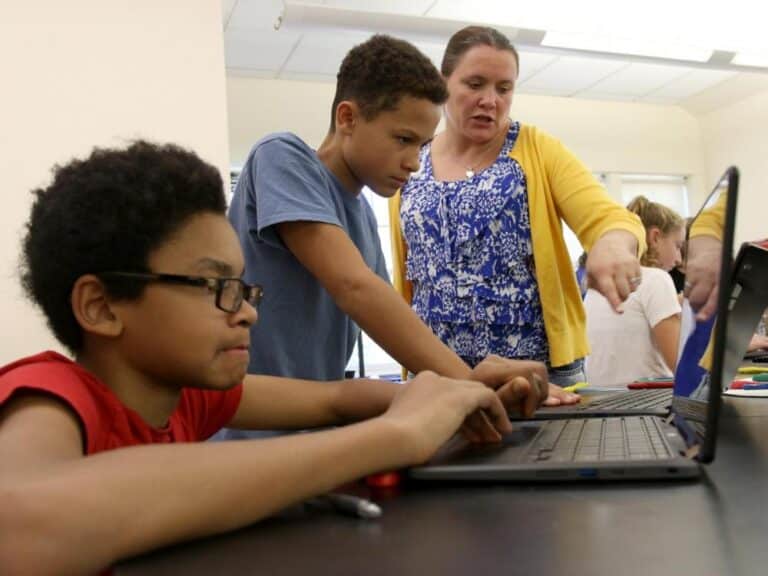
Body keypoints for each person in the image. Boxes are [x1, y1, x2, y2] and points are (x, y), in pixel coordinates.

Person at [0, 141, 549, 575]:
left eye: (244, 288)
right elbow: (20, 522)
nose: (246, 313)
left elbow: (336, 400)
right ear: (100, 307)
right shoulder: (50, 397)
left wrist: (461, 393)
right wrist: (393, 437)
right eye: (215, 285)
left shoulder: (190, 397)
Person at [221, 32, 574, 444]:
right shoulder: (282, 157)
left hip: (310, 439)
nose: (414, 163)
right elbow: (355, 288)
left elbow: (388, 318)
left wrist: (471, 381)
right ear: (347, 118)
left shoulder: (361, 218)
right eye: (403, 140)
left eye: (424, 146)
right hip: (246, 437)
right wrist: (467, 383)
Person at [389, 26, 646, 387]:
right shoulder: (412, 158)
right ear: (443, 81)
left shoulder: (537, 149)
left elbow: (611, 218)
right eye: (475, 84)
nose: (490, 100)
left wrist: (613, 244)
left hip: (538, 376)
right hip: (437, 377)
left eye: (504, 88)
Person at [584, 196, 685, 387]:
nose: (679, 258)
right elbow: (682, 366)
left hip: (602, 403)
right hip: (649, 401)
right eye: (678, 246)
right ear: (655, 237)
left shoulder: (600, 284)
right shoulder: (656, 279)